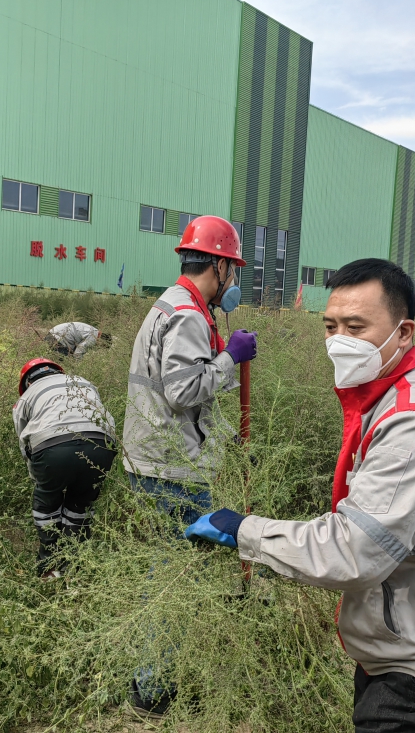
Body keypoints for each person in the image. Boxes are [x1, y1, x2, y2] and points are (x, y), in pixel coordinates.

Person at [186, 259, 415, 733]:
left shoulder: (412, 420)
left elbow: (357, 549)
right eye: (330, 326)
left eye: (356, 327)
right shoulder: (391, 392)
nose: (339, 340)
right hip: (413, 639)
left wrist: (245, 531)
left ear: (403, 332)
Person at [122, 215, 257, 716]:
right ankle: (153, 688)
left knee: (165, 569)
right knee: (176, 575)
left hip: (156, 460)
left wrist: (224, 436)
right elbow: (182, 392)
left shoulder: (174, 304)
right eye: (233, 269)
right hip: (172, 471)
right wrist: (231, 359)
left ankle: (151, 673)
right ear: (218, 266)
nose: (234, 279)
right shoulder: (187, 315)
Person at [13, 357, 117, 578]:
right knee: (81, 501)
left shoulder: (27, 396)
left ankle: (49, 565)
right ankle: (75, 564)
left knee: (47, 501)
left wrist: (38, 477)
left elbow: (24, 441)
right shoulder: (84, 381)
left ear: (27, 383)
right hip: (101, 445)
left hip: (52, 448)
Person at [44, 321, 109, 359]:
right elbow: (78, 353)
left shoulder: (93, 331)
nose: (97, 347)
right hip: (58, 338)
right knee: (66, 365)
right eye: (100, 346)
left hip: (53, 334)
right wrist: (79, 367)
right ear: (102, 341)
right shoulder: (93, 337)